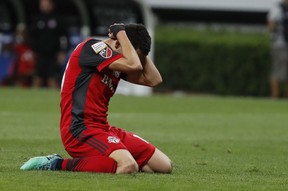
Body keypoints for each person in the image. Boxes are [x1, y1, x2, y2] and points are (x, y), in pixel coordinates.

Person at [20, 23, 173, 174]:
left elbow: (154, 80)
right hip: (79, 130)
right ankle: (56, 163)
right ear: (119, 43)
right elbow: (135, 66)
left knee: (164, 165)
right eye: (133, 54)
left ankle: (117, 159)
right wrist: (121, 33)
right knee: (127, 166)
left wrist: (140, 52)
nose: (137, 61)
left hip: (103, 129)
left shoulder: (117, 62)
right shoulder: (92, 48)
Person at [29, 0, 67, 88]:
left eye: (46, 4)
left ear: (51, 5)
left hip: (53, 54)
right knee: (37, 78)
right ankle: (33, 99)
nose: (44, 6)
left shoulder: (58, 19)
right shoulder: (36, 19)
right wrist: (33, 50)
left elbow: (64, 37)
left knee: (52, 79)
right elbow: (31, 37)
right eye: (42, 4)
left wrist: (63, 51)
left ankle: (55, 100)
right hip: (39, 54)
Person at [267, 0, 288, 98]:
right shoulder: (277, 8)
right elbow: (271, 24)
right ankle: (275, 96)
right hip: (279, 44)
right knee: (277, 70)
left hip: (281, 43)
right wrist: (273, 36)